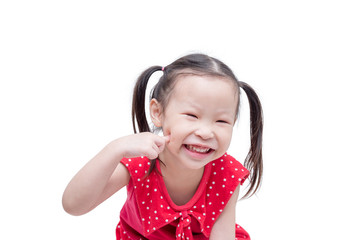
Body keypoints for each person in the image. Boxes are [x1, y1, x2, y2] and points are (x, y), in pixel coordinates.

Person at [62, 53, 263, 240]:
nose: (205, 132)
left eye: (221, 121)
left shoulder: (226, 174)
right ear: (158, 113)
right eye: (192, 116)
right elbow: (74, 205)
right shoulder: (140, 163)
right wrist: (116, 148)